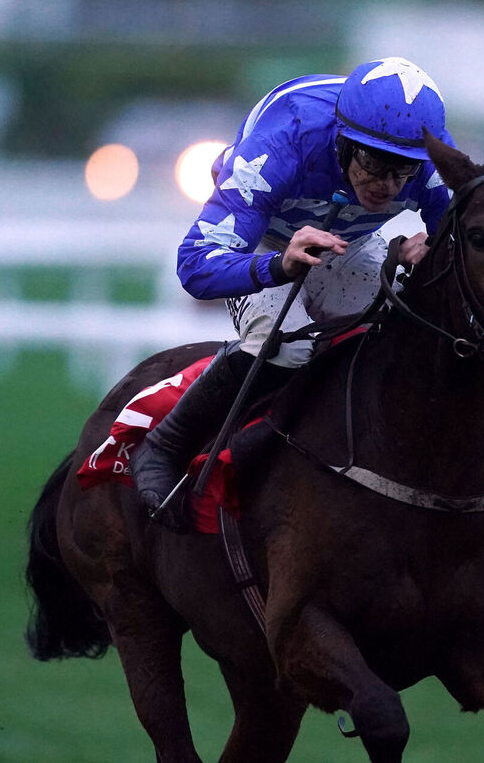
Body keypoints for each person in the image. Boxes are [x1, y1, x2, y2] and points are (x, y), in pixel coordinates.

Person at [132, 56, 455, 529]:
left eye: (403, 171)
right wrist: (277, 264)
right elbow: (196, 267)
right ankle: (166, 444)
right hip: (263, 238)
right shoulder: (284, 142)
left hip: (348, 241)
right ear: (343, 142)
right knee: (290, 342)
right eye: (374, 164)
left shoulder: (429, 160)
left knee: (395, 333)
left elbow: (469, 245)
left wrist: (434, 249)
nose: (387, 186)